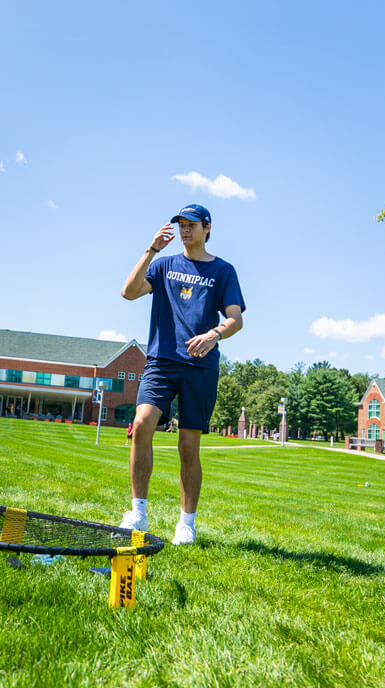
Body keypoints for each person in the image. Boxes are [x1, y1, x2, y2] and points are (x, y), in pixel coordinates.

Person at [118, 204, 245, 546]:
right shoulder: (162, 265)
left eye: (192, 225)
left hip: (201, 365)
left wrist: (214, 334)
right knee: (142, 423)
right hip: (161, 359)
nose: (186, 230)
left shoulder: (223, 271)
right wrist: (151, 250)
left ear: (208, 229)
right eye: (181, 225)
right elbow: (128, 292)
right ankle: (137, 512)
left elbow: (236, 318)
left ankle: (186, 523)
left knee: (188, 445)